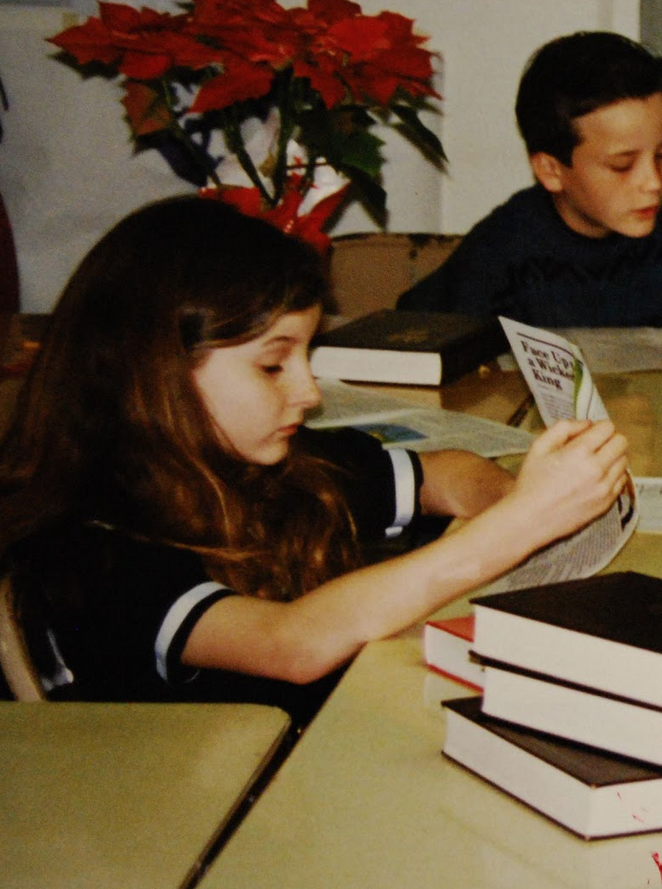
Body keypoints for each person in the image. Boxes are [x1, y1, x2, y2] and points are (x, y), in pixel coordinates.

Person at [0, 197, 630, 722]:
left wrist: (518, 505)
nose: (307, 392)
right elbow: (290, 644)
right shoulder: (90, 545)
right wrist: (517, 525)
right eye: (273, 365)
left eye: (307, 358)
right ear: (156, 369)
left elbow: (448, 471)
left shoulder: (256, 462)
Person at [399, 31, 662, 326]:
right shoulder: (501, 255)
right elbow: (419, 337)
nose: (653, 182)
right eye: (622, 165)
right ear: (551, 171)